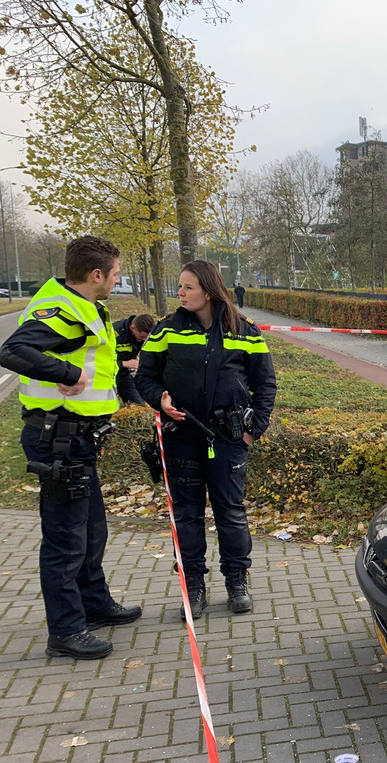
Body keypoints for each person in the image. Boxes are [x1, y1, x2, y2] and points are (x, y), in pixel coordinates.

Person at [0, 236, 142, 659]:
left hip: (77, 438)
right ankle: (65, 630)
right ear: (96, 274)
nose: (117, 280)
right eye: (115, 273)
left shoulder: (83, 306)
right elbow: (13, 349)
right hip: (57, 438)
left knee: (91, 528)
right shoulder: (61, 309)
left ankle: (93, 603)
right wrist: (64, 370)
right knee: (65, 538)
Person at [136, 260, 276, 619]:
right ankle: (193, 586)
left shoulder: (245, 331)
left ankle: (236, 581)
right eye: (179, 287)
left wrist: (252, 430)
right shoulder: (166, 330)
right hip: (180, 435)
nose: (180, 293)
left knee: (230, 512)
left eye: (187, 287)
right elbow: (145, 377)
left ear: (210, 291)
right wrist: (160, 399)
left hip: (229, 438)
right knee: (187, 515)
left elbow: (266, 384)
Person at [112, 313, 156, 406]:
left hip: (123, 375)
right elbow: (99, 361)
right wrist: (124, 363)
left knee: (139, 406)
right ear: (132, 328)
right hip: (107, 376)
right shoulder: (113, 333)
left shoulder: (144, 336)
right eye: (141, 337)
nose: (143, 340)